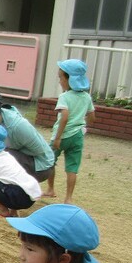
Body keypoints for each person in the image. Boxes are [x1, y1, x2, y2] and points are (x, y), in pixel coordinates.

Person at [49, 59, 95, 204]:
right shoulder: (86, 97)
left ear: (70, 79)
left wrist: (57, 138)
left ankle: (50, 189)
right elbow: (92, 116)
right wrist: (83, 127)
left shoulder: (64, 97)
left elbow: (64, 117)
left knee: (50, 161)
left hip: (62, 135)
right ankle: (68, 198)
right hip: (78, 136)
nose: (60, 81)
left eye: (61, 78)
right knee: (72, 168)